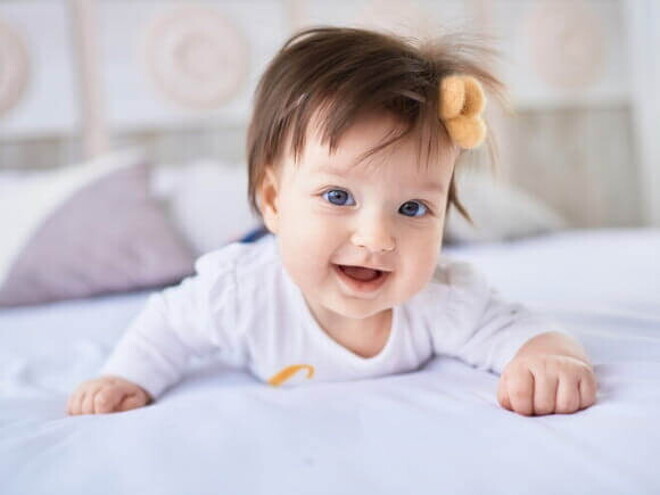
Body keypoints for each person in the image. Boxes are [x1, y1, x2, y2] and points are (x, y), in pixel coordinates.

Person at [67, 27, 597, 417]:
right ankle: (262, 232)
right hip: (265, 252)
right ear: (272, 198)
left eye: (413, 209)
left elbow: (518, 331)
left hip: (294, 242)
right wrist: (125, 376)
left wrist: (548, 358)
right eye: (339, 195)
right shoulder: (238, 291)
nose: (377, 238)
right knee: (255, 252)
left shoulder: (441, 299)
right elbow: (168, 327)